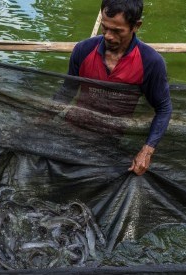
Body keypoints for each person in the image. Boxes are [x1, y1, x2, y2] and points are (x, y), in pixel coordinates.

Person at [61, 0, 172, 176]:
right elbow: (65, 93)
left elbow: (164, 108)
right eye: (105, 27)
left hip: (111, 140)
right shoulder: (83, 50)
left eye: (117, 31)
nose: (108, 36)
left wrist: (147, 150)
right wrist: (40, 119)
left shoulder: (150, 62)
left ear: (136, 26)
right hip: (73, 131)